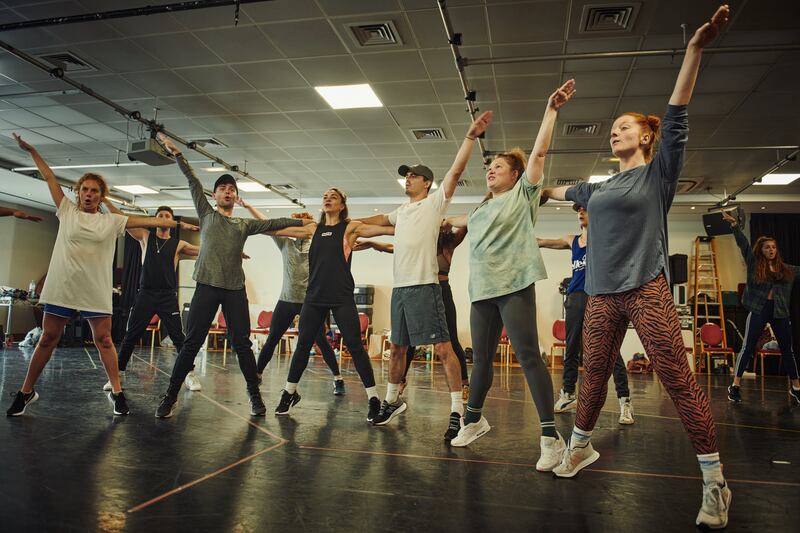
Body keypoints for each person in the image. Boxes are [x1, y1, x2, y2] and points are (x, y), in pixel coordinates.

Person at [543, 6, 732, 529]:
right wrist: (537, 146)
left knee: (676, 378)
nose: (614, 133)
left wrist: (694, 50)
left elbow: (677, 111)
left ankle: (714, 480)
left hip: (646, 288)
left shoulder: (658, 175)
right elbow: (547, 189)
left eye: (623, 127)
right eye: (611, 129)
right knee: (593, 375)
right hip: (601, 292)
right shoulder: (597, 189)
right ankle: (580, 447)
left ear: (645, 138)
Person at [6, 134, 193, 417]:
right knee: (48, 338)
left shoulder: (111, 221)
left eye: (95, 191)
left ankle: (118, 393)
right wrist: (31, 150)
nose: (89, 194)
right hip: (63, 286)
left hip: (94, 289)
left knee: (104, 340)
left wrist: (177, 222)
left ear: (101, 196)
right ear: (78, 192)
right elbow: (49, 177)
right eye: (85, 190)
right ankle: (26, 391)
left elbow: (147, 220)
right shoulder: (66, 211)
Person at [446, 80, 575, 472]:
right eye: (489, 167)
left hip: (514, 286)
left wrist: (551, 110)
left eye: (497, 166)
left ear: (515, 174)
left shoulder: (524, 195)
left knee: (529, 356)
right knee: (481, 360)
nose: (490, 170)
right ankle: (473, 420)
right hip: (481, 290)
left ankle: (551, 437)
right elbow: (444, 219)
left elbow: (539, 152)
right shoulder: (480, 210)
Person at [354, 112, 492, 440]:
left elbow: (456, 171)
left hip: (424, 286)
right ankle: (391, 402)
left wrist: (470, 137)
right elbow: (375, 222)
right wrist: (347, 222)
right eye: (407, 176)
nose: (408, 179)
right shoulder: (401, 212)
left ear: (426, 183)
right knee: (398, 347)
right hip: (401, 289)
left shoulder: (434, 204)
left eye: (414, 176)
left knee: (444, 349)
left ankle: (459, 410)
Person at [154, 134, 310, 418]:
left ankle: (255, 396)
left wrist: (302, 222)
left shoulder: (243, 224)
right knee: (191, 343)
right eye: (222, 188)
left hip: (234, 290)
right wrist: (177, 153)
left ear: (236, 198)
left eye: (231, 189)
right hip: (206, 288)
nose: (227, 192)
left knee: (242, 344)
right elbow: (192, 180)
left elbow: (272, 223)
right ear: (215, 196)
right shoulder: (206, 214)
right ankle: (170, 395)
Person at [274, 188, 393, 421]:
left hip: (341, 296)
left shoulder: (349, 228)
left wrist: (416, 227)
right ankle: (289, 392)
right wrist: (249, 227)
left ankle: (373, 398)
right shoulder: (312, 229)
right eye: (325, 196)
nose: (328, 198)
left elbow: (385, 229)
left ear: (341, 206)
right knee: (302, 345)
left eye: (334, 197)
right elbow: (279, 229)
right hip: (314, 297)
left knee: (356, 347)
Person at [236, 200, 345, 395]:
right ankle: (257, 376)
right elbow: (266, 223)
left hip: (310, 302)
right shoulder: (285, 242)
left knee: (320, 340)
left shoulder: (317, 243)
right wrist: (248, 207)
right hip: (286, 299)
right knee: (272, 338)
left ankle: (338, 379)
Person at [537, 204, 634, 424]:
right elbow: (542, 242)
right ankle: (568, 393)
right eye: (578, 210)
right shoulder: (572, 240)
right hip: (575, 298)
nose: (580, 213)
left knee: (610, 350)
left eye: (585, 210)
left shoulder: (604, 239)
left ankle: (625, 400)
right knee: (571, 347)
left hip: (599, 297)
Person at [356, 222, 470, 399]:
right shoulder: (419, 245)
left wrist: (450, 220)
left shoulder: (449, 243)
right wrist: (372, 244)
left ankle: (464, 383)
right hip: (419, 291)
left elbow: (467, 223)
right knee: (408, 340)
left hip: (441, 290)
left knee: (451, 340)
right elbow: (392, 248)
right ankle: (400, 381)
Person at [102, 202, 202, 392]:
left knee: (178, 338)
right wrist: (106, 201)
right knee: (131, 335)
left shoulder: (178, 244)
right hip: (145, 294)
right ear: (154, 219)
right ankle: (118, 375)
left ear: (172, 221)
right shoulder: (145, 237)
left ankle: (189, 374)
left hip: (167, 296)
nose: (163, 218)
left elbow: (206, 251)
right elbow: (123, 219)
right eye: (160, 215)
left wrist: (233, 253)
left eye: (167, 216)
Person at [721, 210, 800, 404]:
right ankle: (735, 386)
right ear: (761, 250)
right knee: (747, 347)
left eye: (773, 247)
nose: (771, 250)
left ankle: (796, 387)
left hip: (779, 311)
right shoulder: (754, 264)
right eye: (767, 247)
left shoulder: (787, 269)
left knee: (787, 350)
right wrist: (734, 226)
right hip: (759, 308)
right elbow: (743, 244)